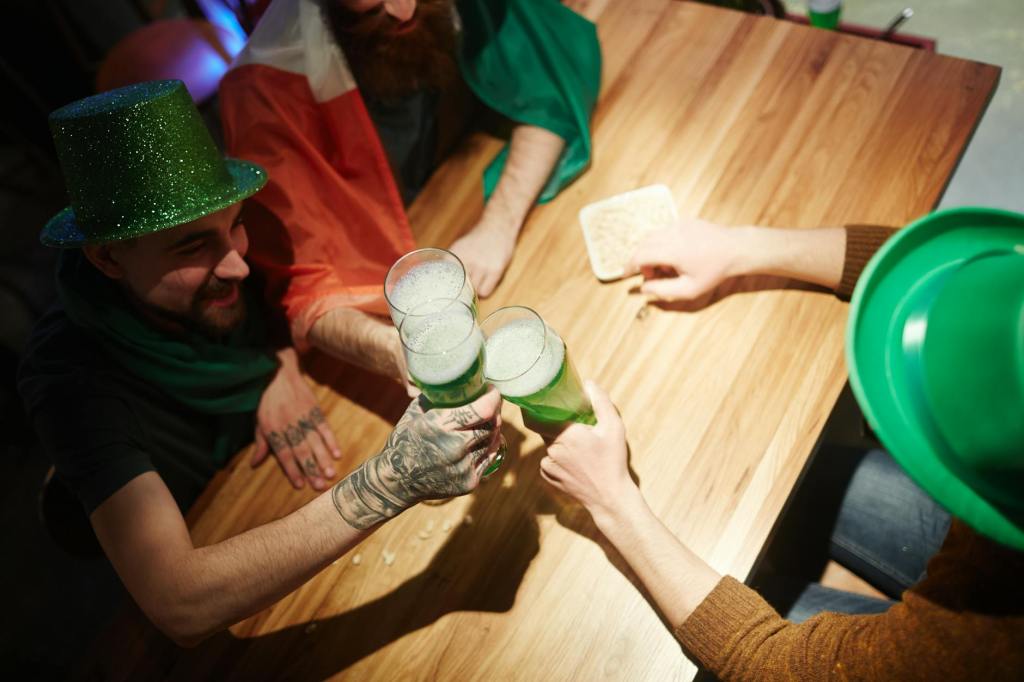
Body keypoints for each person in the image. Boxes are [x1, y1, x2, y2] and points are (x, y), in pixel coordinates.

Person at [18, 81, 503, 645]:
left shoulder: (222, 259)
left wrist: (288, 358)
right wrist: (390, 481)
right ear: (106, 258)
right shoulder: (69, 380)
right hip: (219, 555)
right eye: (192, 247)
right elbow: (179, 602)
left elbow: (295, 295)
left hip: (282, 490)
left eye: (236, 225)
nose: (238, 267)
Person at [539, 210, 1024, 678]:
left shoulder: (988, 648)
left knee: (744, 600)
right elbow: (927, 274)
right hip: (997, 557)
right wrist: (738, 246)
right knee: (815, 474)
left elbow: (771, 662)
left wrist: (612, 501)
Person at [217, 0, 600, 390]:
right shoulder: (266, 88)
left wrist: (498, 225)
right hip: (388, 312)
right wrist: (395, 351)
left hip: (460, 211)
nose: (402, 10)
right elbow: (308, 293)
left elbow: (547, 89)